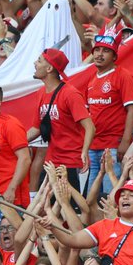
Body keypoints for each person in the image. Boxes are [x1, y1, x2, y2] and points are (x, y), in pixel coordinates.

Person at [26, 48, 94, 190]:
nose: (34, 63)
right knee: (49, 208)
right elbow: (36, 129)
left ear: (49, 68)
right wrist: (15, 143)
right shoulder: (40, 93)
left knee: (71, 209)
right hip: (52, 162)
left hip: (72, 162)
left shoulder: (70, 94)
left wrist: (84, 152)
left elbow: (90, 127)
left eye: (39, 60)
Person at [84, 34, 133, 193]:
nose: (99, 54)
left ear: (114, 56)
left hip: (113, 145)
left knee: (110, 195)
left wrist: (126, 141)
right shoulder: (92, 79)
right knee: (91, 197)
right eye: (97, 50)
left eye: (105, 51)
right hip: (94, 147)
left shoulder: (123, 76)